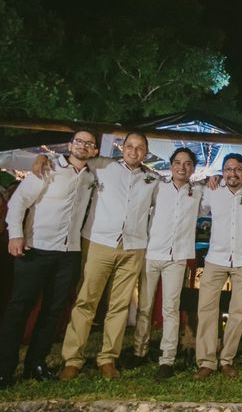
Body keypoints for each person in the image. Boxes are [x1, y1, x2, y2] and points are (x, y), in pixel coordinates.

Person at [56, 132, 159, 380]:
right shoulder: (102, 166)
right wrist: (47, 161)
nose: (134, 151)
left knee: (120, 305)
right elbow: (73, 159)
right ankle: (73, 358)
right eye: (130, 146)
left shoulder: (152, 179)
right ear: (121, 148)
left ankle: (107, 358)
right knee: (86, 301)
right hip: (99, 241)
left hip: (133, 246)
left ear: (145, 152)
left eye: (140, 148)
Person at [0, 130, 98, 389]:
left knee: (53, 311)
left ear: (95, 151)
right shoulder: (49, 167)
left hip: (69, 253)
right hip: (36, 248)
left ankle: (36, 364)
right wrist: (16, 235)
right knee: (19, 308)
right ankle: (5, 368)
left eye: (89, 144)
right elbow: (19, 202)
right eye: (79, 141)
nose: (83, 146)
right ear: (70, 144)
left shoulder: (92, 175)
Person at [130, 147, 204, 380]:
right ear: (171, 166)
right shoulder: (157, 187)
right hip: (152, 252)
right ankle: (139, 351)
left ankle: (167, 358)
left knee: (170, 309)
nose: (182, 167)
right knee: (145, 305)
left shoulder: (199, 192)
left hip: (178, 257)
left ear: (193, 168)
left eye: (188, 163)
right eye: (178, 163)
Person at [193, 153, 242, 379]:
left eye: (238, 169)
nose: (233, 173)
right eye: (228, 169)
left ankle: (227, 359)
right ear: (222, 171)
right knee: (206, 309)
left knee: (238, 312)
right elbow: (195, 204)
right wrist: (206, 179)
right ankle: (206, 361)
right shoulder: (212, 190)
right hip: (216, 259)